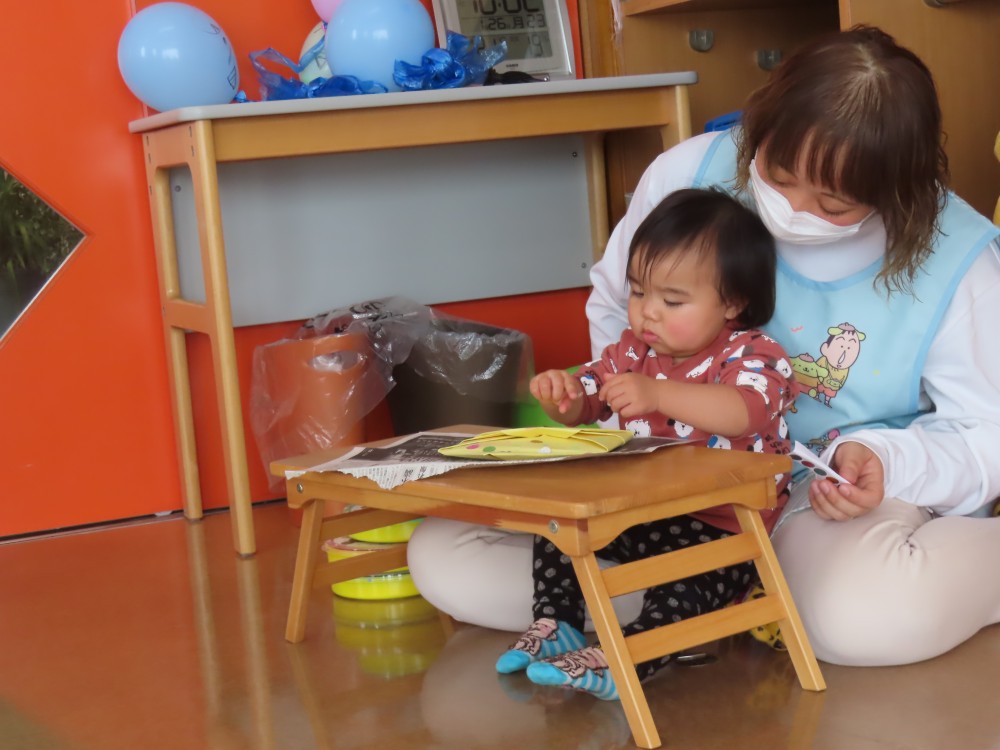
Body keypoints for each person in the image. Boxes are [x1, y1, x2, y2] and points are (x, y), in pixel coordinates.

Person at [407, 25, 1000, 671]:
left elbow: (987, 432)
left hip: (820, 500)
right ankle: (705, 600)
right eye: (778, 174)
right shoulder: (689, 173)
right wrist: (617, 410)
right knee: (446, 557)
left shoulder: (956, 258)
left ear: (895, 193)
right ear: (758, 128)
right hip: (670, 484)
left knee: (859, 622)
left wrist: (886, 457)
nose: (793, 210)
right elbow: (618, 305)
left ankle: (718, 595)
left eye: (833, 204)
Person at [491, 187, 796, 700]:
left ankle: (625, 659)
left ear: (733, 302)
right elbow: (587, 399)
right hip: (645, 514)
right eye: (637, 292)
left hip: (724, 527)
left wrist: (657, 393)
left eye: (672, 301)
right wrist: (562, 397)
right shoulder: (631, 352)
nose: (648, 312)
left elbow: (746, 411)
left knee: (684, 588)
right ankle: (558, 622)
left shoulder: (752, 352)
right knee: (560, 526)